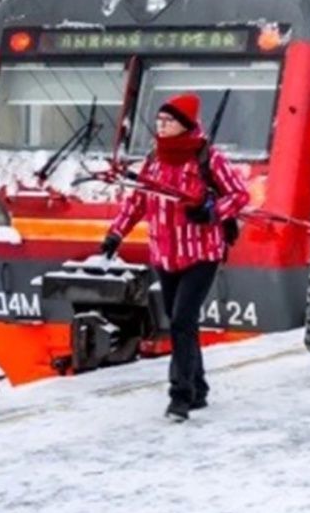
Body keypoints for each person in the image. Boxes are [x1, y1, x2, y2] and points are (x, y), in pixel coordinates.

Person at [101, 93, 250, 421]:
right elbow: (138, 201)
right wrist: (115, 234)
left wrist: (212, 211)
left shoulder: (208, 158)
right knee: (181, 322)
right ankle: (198, 387)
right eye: (159, 120)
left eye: (167, 121)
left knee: (182, 320)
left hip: (201, 254)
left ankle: (179, 396)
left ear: (183, 124)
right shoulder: (154, 159)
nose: (160, 125)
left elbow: (240, 195)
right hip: (165, 255)